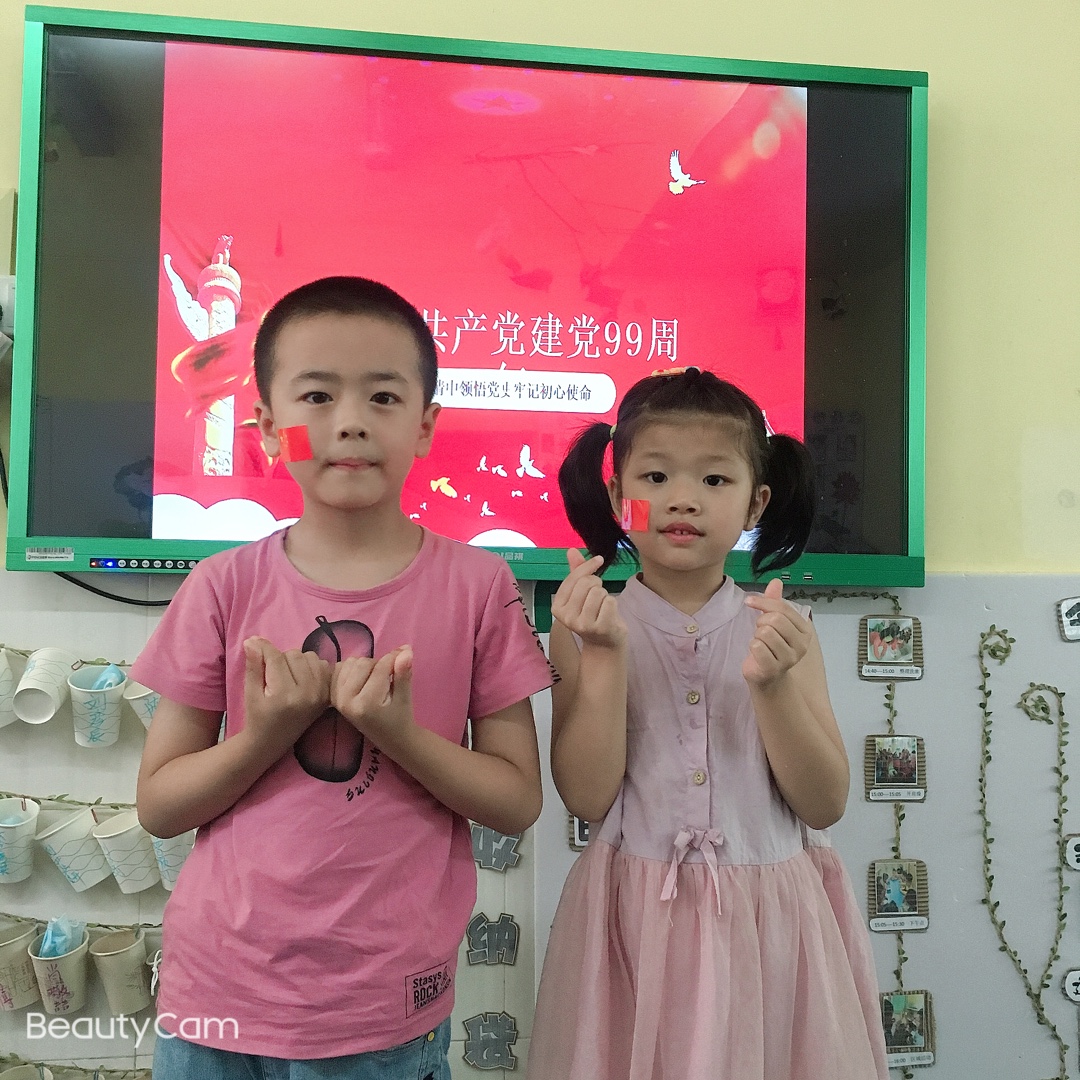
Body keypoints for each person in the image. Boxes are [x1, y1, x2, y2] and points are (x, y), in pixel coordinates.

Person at [133, 276, 554, 1079]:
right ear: (268, 427)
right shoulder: (222, 586)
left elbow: (516, 801)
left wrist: (398, 733)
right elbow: (160, 805)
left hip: (382, 1010)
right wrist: (266, 734)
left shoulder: (477, 587)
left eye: (384, 397)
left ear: (425, 426)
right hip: (215, 994)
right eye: (317, 396)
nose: (351, 421)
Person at [529, 367, 888, 1080]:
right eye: (655, 477)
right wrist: (605, 655)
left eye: (715, 480)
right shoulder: (586, 625)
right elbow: (586, 797)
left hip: (772, 921)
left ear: (757, 500)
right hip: (633, 922)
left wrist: (773, 685)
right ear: (617, 495)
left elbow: (825, 803)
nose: (683, 499)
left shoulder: (785, 627)